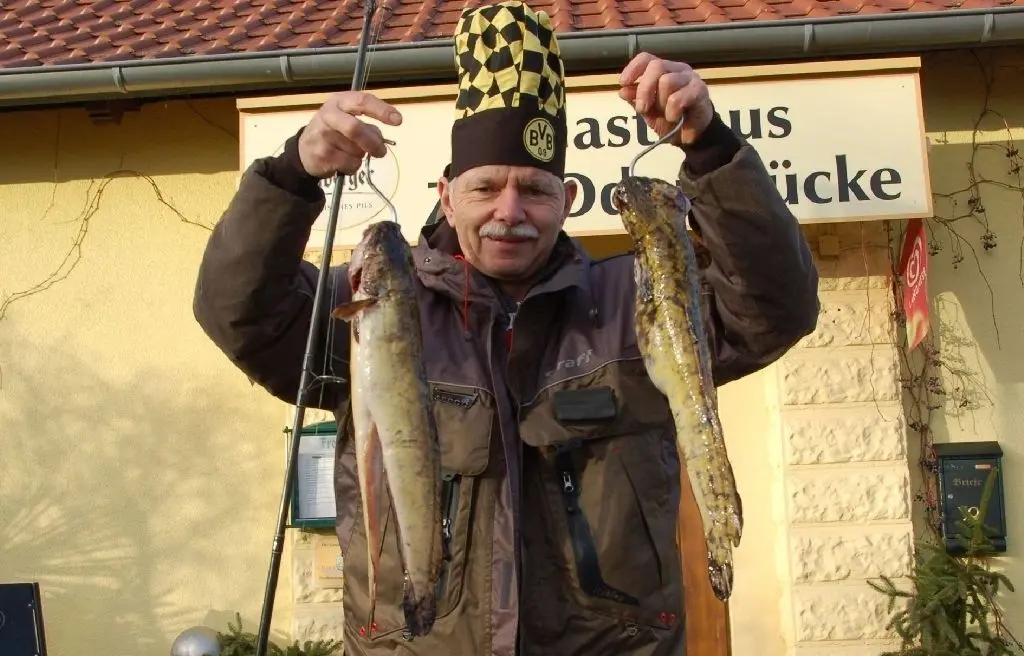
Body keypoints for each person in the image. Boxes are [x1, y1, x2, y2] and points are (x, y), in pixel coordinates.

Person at [193, 2, 820, 654]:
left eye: (536, 190)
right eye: (487, 187)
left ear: (569, 199)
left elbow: (776, 308)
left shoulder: (637, 306)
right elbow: (239, 313)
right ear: (446, 195)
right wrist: (291, 175)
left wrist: (711, 147)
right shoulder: (375, 307)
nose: (510, 212)